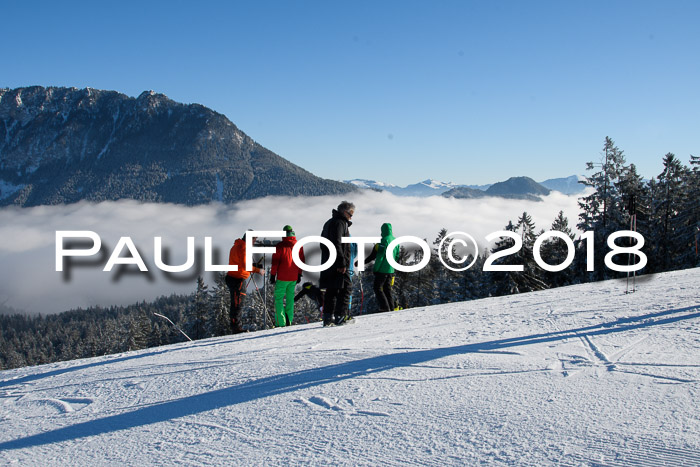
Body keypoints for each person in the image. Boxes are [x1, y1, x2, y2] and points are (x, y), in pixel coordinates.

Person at [320, 201, 355, 326]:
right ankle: (341, 316)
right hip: (338, 263)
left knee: (332, 290)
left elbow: (322, 243)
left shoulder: (329, 222)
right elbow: (337, 243)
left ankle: (327, 318)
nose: (351, 217)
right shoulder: (340, 223)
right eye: (351, 214)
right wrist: (341, 262)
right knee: (346, 288)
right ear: (345, 212)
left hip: (328, 262)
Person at [226, 230, 265, 333]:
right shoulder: (244, 248)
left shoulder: (236, 246)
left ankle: (236, 326)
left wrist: (254, 266)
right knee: (238, 303)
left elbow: (240, 262)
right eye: (254, 239)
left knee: (235, 302)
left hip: (232, 276)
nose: (254, 242)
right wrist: (258, 270)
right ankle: (236, 328)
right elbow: (245, 266)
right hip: (238, 279)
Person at [270, 225, 304, 327]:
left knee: (278, 299)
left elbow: (275, 262)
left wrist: (272, 275)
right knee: (290, 299)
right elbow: (301, 260)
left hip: (282, 277)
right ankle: (289, 319)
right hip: (293, 277)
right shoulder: (299, 245)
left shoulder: (280, 246)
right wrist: (299, 274)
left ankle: (281, 322)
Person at [363, 222, 399, 313]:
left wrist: (376, 269)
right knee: (387, 289)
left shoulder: (384, 241)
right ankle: (391, 308)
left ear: (382, 231)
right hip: (390, 269)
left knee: (377, 288)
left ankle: (385, 307)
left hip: (382, 269)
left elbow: (380, 257)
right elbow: (397, 256)